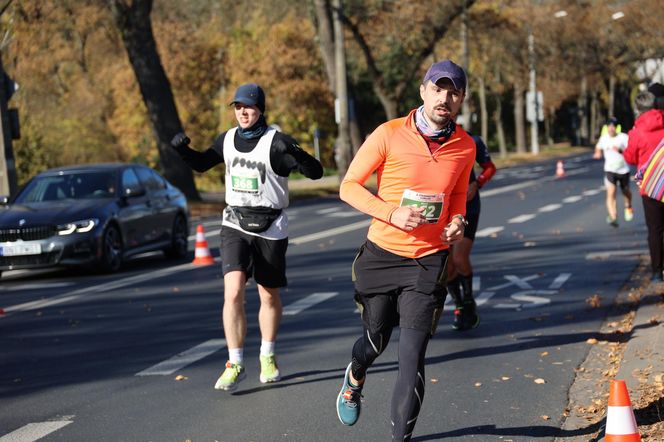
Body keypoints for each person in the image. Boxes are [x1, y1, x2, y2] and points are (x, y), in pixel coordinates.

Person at [335, 60, 475, 441]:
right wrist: (391, 212)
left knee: (411, 357)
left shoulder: (465, 146)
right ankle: (355, 374)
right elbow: (348, 186)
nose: (445, 98)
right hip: (381, 254)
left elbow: (458, 193)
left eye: (454, 92)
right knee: (376, 341)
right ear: (423, 90)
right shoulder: (389, 133)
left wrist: (458, 220)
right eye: (439, 88)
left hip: (428, 262)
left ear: (461, 99)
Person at [170, 83, 323, 391]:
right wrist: (182, 150)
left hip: (271, 226)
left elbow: (316, 173)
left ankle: (267, 354)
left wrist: (299, 155)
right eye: (238, 107)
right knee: (233, 292)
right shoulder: (227, 139)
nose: (242, 112)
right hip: (235, 222)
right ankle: (235, 362)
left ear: (260, 110)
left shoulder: (276, 143)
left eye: (248, 107)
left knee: (268, 294)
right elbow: (202, 163)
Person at [447, 132, 496, 331]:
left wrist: (478, 182)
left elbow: (490, 167)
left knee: (459, 258)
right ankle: (458, 303)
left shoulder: (470, 140)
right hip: (441, 208)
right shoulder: (425, 141)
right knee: (447, 266)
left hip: (468, 207)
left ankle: (468, 301)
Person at [623, 90, 664, 282]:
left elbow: (630, 158)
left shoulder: (636, 132)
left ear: (638, 109)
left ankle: (657, 272)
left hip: (651, 186)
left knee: (655, 229)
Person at [593, 117, 633, 227]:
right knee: (611, 192)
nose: (611, 128)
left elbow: (631, 151)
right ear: (607, 128)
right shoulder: (604, 138)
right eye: (609, 126)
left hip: (623, 169)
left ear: (616, 127)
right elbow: (598, 147)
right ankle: (613, 216)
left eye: (613, 126)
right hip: (610, 169)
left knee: (626, 191)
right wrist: (598, 153)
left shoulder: (623, 138)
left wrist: (620, 150)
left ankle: (628, 206)